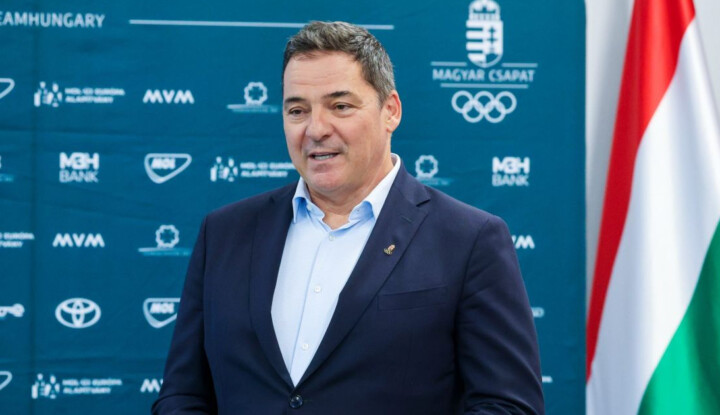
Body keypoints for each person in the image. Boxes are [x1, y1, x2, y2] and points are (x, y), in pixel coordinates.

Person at [153, 21, 544, 414]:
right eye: (297, 110)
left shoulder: (470, 240)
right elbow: (183, 395)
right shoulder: (224, 233)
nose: (316, 129)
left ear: (390, 111)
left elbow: (508, 405)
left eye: (340, 106)